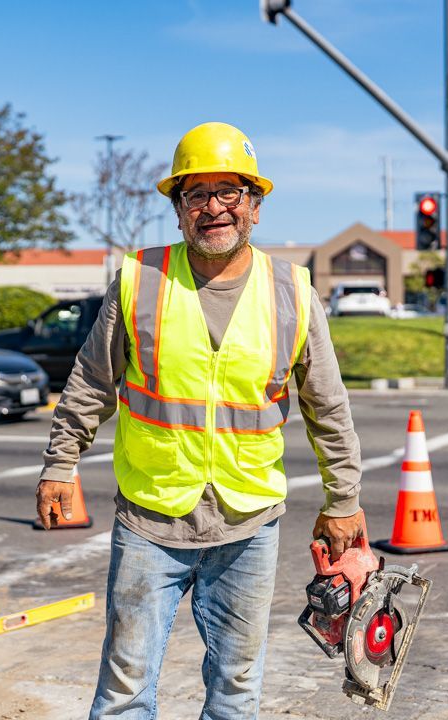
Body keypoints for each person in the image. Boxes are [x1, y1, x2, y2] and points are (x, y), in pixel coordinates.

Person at [36, 121, 362, 719]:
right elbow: (91, 380)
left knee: (237, 690)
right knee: (124, 688)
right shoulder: (139, 281)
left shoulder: (292, 291)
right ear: (179, 209)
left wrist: (343, 499)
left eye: (228, 192)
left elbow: (327, 406)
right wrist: (60, 463)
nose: (213, 208)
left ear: (254, 206)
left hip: (248, 522)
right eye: (195, 194)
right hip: (151, 519)